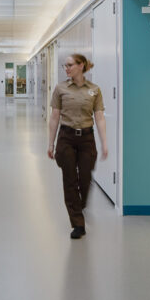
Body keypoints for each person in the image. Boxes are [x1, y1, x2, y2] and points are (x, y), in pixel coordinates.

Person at [47, 54, 108, 239]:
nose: (66, 68)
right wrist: (51, 143)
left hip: (87, 138)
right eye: (65, 65)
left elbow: (99, 117)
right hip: (66, 137)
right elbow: (55, 116)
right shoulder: (60, 88)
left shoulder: (94, 90)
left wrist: (104, 142)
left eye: (70, 65)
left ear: (81, 66)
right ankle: (78, 224)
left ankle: (79, 204)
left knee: (85, 176)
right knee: (70, 179)